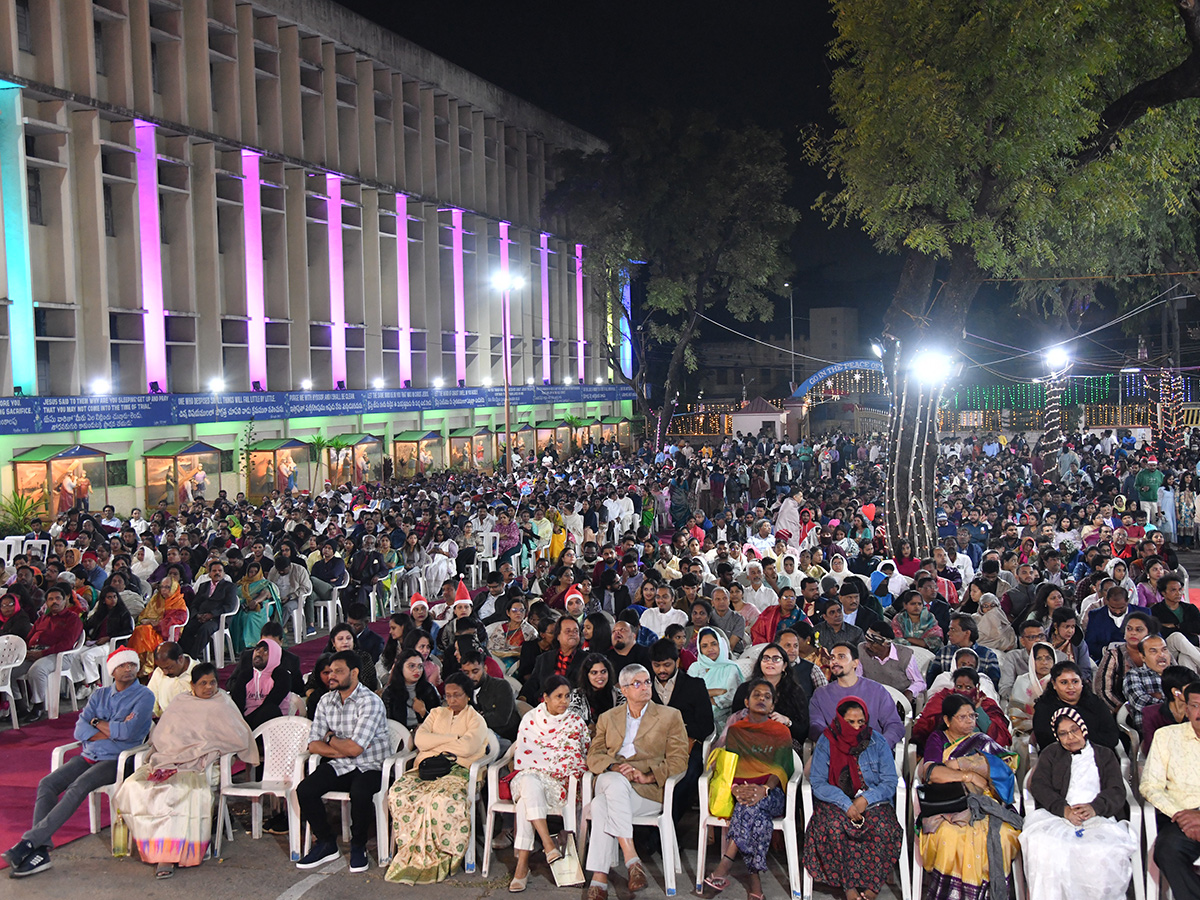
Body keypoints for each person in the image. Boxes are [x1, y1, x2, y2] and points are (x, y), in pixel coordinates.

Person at [4, 647, 154, 877]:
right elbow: (79, 730)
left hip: (117, 759)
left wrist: (97, 724)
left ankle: (29, 843)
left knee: (79, 786)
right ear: (112, 670)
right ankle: (41, 851)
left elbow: (129, 733)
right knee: (47, 784)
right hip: (90, 755)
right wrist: (106, 726)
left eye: (132, 665)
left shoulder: (144, 696)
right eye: (123, 665)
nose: (129, 669)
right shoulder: (99, 695)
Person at [112, 662, 259, 878]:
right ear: (192, 685)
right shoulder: (181, 702)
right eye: (203, 683)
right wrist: (177, 751)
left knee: (179, 791)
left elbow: (237, 735)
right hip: (169, 760)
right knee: (135, 787)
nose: (209, 688)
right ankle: (154, 847)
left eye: (212, 683)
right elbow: (163, 735)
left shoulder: (222, 702)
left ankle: (170, 856)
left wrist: (204, 748)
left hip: (201, 764)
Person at [583, 663, 688, 900]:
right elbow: (594, 755)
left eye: (647, 682)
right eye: (637, 684)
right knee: (614, 780)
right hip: (613, 778)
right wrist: (615, 766)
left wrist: (648, 775)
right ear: (623, 689)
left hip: (646, 791)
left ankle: (599, 879)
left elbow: (680, 759)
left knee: (600, 806)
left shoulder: (670, 716)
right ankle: (632, 859)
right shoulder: (608, 718)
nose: (645, 688)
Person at [1018, 707, 1136, 900]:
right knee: (1044, 846)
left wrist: (1095, 808)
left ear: (1083, 729)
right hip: (1057, 816)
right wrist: (1063, 809)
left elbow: (1116, 790)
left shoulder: (1104, 755)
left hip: (1098, 817)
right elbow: (1039, 786)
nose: (1070, 737)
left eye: (1074, 730)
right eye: (1063, 733)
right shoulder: (1050, 754)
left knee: (1102, 852)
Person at [385, 671, 490, 883]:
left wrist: (438, 743)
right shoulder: (435, 713)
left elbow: (468, 747)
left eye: (457, 695)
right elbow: (421, 740)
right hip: (428, 768)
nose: (451, 700)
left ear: (468, 696)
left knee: (440, 800)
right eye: (448, 695)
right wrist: (452, 739)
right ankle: (410, 852)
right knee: (400, 793)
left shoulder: (475, 719)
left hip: (459, 769)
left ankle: (444, 856)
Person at [699, 679, 797, 900]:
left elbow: (781, 769)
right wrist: (735, 789)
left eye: (767, 697)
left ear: (772, 706)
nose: (762, 699)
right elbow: (729, 766)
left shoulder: (781, 732)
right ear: (746, 701)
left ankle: (726, 863)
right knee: (754, 813)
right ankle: (754, 881)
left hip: (772, 793)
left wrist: (764, 789)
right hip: (741, 791)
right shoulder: (736, 730)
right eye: (757, 695)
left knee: (752, 806)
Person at [917, 694, 1022, 900]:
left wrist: (972, 764)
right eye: (962, 717)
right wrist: (968, 774)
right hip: (948, 803)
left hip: (986, 802)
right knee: (951, 836)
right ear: (947, 720)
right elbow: (932, 773)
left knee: (1000, 836)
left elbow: (1006, 766)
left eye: (972, 716)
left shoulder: (982, 740)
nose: (970, 722)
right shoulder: (938, 739)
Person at [295, 649, 390, 874]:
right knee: (305, 789)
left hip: (372, 766)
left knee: (360, 792)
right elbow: (313, 744)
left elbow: (355, 748)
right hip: (341, 764)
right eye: (329, 672)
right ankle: (327, 842)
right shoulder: (326, 701)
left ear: (354, 673)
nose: (331, 676)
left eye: (338, 671)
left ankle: (358, 845)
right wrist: (339, 751)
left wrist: (330, 738)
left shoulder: (370, 702)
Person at [804, 697, 902, 900]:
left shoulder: (877, 740)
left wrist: (865, 799)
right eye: (851, 722)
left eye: (861, 722)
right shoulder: (827, 740)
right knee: (832, 826)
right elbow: (818, 781)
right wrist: (846, 803)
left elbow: (890, 781)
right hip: (836, 800)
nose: (857, 727)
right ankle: (848, 888)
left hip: (872, 801)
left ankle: (873, 888)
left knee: (884, 826)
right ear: (840, 720)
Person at [506, 674, 591, 892]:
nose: (564, 701)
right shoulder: (531, 719)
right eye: (558, 696)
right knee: (528, 780)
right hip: (529, 776)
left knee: (526, 798)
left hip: (560, 784)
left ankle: (522, 866)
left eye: (567, 696)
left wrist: (551, 766)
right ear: (545, 697)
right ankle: (548, 843)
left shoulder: (575, 722)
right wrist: (542, 766)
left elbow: (578, 755)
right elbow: (524, 756)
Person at [1140, 682, 1200, 900]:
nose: (1199, 712)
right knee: (1166, 851)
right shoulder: (1166, 737)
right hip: (1180, 817)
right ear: (1185, 708)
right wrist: (1183, 816)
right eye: (1194, 705)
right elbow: (1149, 785)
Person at [649, 637, 714, 825]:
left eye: (667, 665)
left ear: (677, 661)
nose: (662, 670)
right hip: (652, 747)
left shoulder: (694, 686)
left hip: (688, 745)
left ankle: (666, 827)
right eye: (657, 665)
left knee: (687, 777)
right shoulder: (645, 688)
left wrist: (675, 730)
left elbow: (706, 726)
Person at [809, 642, 906, 748]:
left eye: (841, 657)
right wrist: (833, 743)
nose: (835, 661)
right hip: (835, 752)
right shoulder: (821, 694)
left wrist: (879, 746)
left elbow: (895, 725)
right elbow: (816, 725)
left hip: (873, 753)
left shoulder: (876, 690)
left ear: (855, 663)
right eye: (832, 658)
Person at [14, 584, 85, 723]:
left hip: (59, 655)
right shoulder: (42, 619)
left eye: (58, 598)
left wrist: (42, 653)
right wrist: (26, 652)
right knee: (9, 672)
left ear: (65, 600)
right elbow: (29, 637)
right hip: (35, 653)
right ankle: (20, 706)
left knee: (37, 670)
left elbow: (67, 644)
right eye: (51, 599)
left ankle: (39, 706)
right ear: (46, 602)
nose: (54, 602)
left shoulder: (72, 619)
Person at [728, 643, 811, 747]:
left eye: (776, 659)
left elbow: (803, 730)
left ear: (784, 666)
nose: (770, 662)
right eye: (766, 658)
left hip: (784, 743)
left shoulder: (795, 692)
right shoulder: (745, 689)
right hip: (749, 740)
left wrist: (787, 721)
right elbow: (735, 719)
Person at [1033, 661, 1122, 751]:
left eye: (1075, 681)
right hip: (1061, 760)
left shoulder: (1095, 703)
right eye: (1064, 682)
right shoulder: (1044, 708)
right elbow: (1046, 742)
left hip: (1098, 757)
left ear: (1081, 682)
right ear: (1054, 684)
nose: (1071, 687)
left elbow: (1112, 737)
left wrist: (1081, 743)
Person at [128, 577, 189, 674]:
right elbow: (144, 616)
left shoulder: (179, 603)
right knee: (141, 630)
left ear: (174, 588)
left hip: (165, 634)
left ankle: (147, 667)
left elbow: (174, 622)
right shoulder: (156, 599)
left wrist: (155, 623)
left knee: (145, 631)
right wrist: (148, 621)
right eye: (162, 587)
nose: (164, 590)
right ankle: (138, 665)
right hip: (150, 630)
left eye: (167, 587)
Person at [460, 647, 520, 746]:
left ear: (485, 669)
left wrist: (474, 719)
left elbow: (501, 719)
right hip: (476, 737)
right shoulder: (464, 688)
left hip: (505, 738)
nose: (471, 677)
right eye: (466, 673)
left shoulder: (501, 686)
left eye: (475, 672)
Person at [689, 626, 743, 733]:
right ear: (700, 649)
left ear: (720, 645)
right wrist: (715, 692)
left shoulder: (731, 668)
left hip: (723, 718)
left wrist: (703, 698)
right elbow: (689, 695)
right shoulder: (694, 668)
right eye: (704, 646)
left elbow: (731, 697)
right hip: (695, 716)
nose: (710, 649)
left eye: (714, 644)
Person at [179, 561, 237, 660]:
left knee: (204, 629)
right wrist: (197, 615)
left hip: (217, 619)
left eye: (220, 571)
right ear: (209, 573)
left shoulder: (229, 587)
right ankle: (183, 656)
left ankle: (192, 657)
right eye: (214, 571)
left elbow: (229, 606)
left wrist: (211, 615)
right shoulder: (203, 586)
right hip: (200, 617)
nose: (217, 573)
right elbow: (195, 603)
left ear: (223, 573)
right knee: (187, 628)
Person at [858, 624, 926, 705]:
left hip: (898, 701)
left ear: (886, 644)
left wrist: (909, 692)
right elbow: (858, 678)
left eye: (872, 643)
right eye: (867, 641)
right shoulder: (862, 650)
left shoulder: (904, 655)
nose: (867, 645)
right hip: (871, 699)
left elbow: (920, 682)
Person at [925, 614, 1002, 685]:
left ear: (967, 633)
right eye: (949, 629)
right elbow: (932, 679)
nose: (948, 633)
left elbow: (993, 684)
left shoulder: (987, 655)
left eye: (953, 630)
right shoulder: (944, 652)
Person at [1007, 641, 1055, 739]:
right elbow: (1014, 713)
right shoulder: (1022, 681)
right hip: (1023, 732)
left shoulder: (1058, 682)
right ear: (1032, 661)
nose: (1044, 662)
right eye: (1039, 658)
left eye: (1048, 658)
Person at [383, 647, 442, 727]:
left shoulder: (429, 689)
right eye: (411, 666)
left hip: (425, 733)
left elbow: (440, 721)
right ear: (401, 667)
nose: (417, 670)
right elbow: (388, 723)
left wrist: (424, 713)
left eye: (420, 666)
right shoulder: (389, 692)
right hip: (399, 735)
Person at [233, 560, 278, 654]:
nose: (253, 574)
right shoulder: (243, 583)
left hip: (262, 606)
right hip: (243, 607)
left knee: (250, 617)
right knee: (234, 618)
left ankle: (252, 645)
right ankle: (238, 647)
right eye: (250, 572)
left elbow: (266, 593)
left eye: (255, 572)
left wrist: (255, 601)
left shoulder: (264, 583)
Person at [146, 641, 198, 716]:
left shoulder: (199, 675)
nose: (165, 672)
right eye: (162, 668)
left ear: (180, 659)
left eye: (169, 668)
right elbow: (150, 700)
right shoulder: (159, 672)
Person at [323, 622, 379, 692]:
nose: (345, 642)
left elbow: (370, 684)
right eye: (340, 639)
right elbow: (312, 684)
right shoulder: (326, 659)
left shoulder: (363, 657)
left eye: (348, 638)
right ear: (333, 642)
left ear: (354, 641)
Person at [571, 652, 619, 731]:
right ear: (586, 675)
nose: (600, 676)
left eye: (603, 672)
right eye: (594, 673)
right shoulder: (576, 695)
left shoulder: (618, 695)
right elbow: (574, 726)